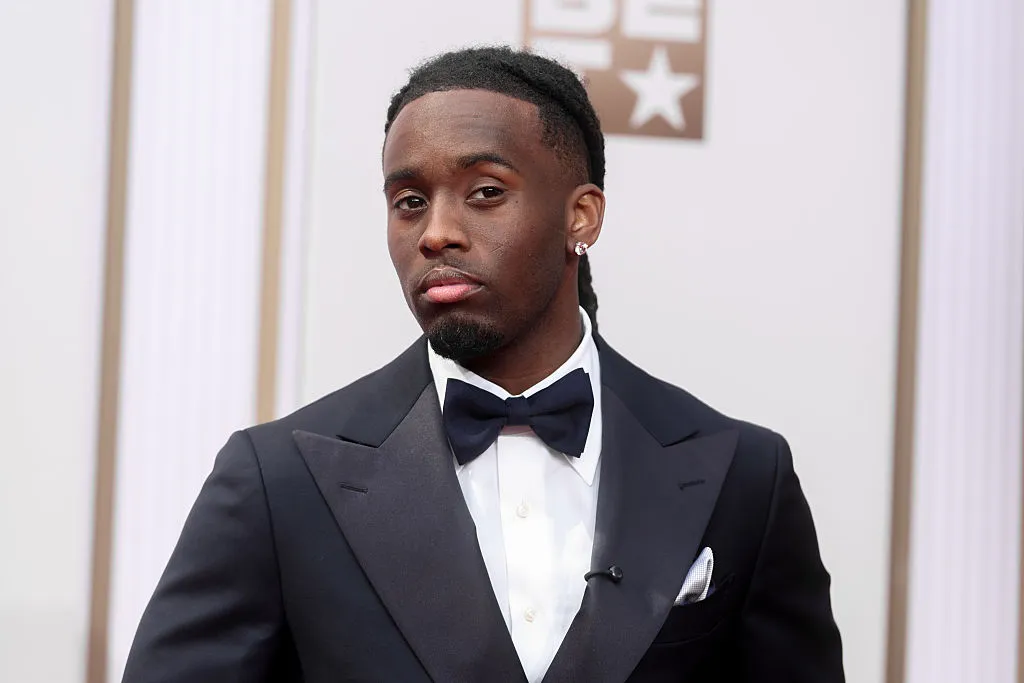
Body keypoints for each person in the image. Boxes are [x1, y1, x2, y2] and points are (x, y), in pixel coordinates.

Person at [123, 46, 844, 683]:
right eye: (410, 201)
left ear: (582, 217)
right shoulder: (278, 478)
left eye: (485, 193)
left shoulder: (746, 475)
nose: (436, 232)